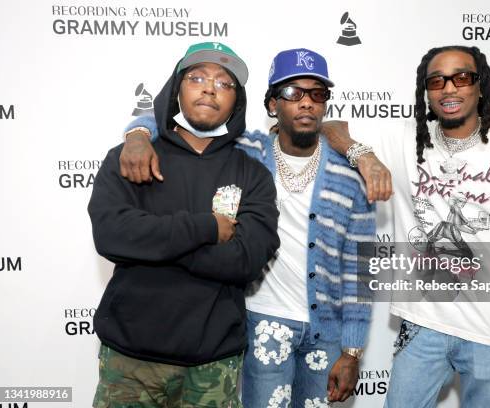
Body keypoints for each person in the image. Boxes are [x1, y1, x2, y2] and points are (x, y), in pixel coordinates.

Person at [120, 48, 377, 407]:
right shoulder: (245, 151)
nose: (306, 104)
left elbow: (361, 271)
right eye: (292, 93)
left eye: (317, 94)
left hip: (327, 335)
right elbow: (178, 121)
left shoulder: (351, 176)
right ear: (273, 104)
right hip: (263, 322)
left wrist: (352, 351)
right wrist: (137, 135)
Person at [88, 41, 280, 408]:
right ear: (177, 89)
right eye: (198, 77)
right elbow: (112, 234)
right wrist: (206, 228)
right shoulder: (131, 158)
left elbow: (246, 258)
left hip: (213, 365)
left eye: (225, 83)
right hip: (130, 361)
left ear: (236, 102)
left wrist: (153, 244)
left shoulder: (252, 173)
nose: (210, 87)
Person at [378, 45, 490, 407]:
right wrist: (362, 156)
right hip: (423, 324)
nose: (449, 88)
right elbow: (333, 129)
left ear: (479, 85)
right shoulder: (406, 140)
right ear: (426, 91)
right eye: (437, 81)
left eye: (462, 77)